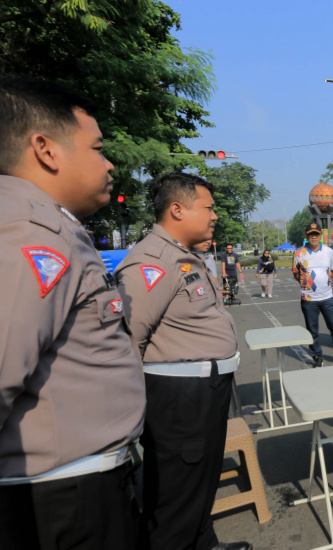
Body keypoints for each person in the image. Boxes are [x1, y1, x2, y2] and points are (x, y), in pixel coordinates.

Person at [0, 75, 145, 549]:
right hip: (63, 500)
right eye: (98, 148)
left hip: (76, 485)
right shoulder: (30, 233)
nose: (109, 164)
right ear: (47, 149)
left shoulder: (51, 227)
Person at [115, 172, 250, 550]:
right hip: (179, 399)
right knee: (176, 496)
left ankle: (202, 543)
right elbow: (126, 341)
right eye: (207, 208)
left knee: (199, 484)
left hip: (203, 391)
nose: (215, 216)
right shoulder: (152, 262)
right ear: (177, 209)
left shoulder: (184, 256)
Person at [293, 222, 333, 368]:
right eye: (311, 234)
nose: (314, 237)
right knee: (312, 331)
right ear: (307, 236)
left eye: (316, 234)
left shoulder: (328, 251)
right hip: (308, 299)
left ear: (320, 235)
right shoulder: (299, 253)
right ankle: (317, 356)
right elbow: (295, 273)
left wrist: (325, 278)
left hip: (327, 298)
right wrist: (306, 284)